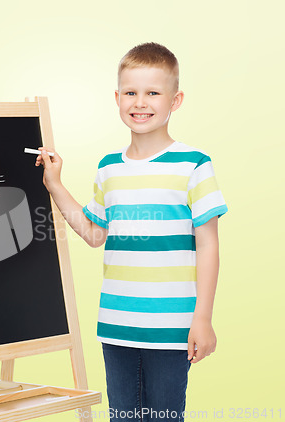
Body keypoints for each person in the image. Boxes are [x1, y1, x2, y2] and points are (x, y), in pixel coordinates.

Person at [34, 42, 228, 422]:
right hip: (117, 327)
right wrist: (55, 184)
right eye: (131, 93)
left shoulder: (194, 165)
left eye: (153, 92)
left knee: (164, 417)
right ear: (118, 98)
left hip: (172, 328)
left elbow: (208, 245)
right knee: (122, 417)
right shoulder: (109, 168)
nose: (141, 102)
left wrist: (202, 318)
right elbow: (93, 234)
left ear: (175, 100)